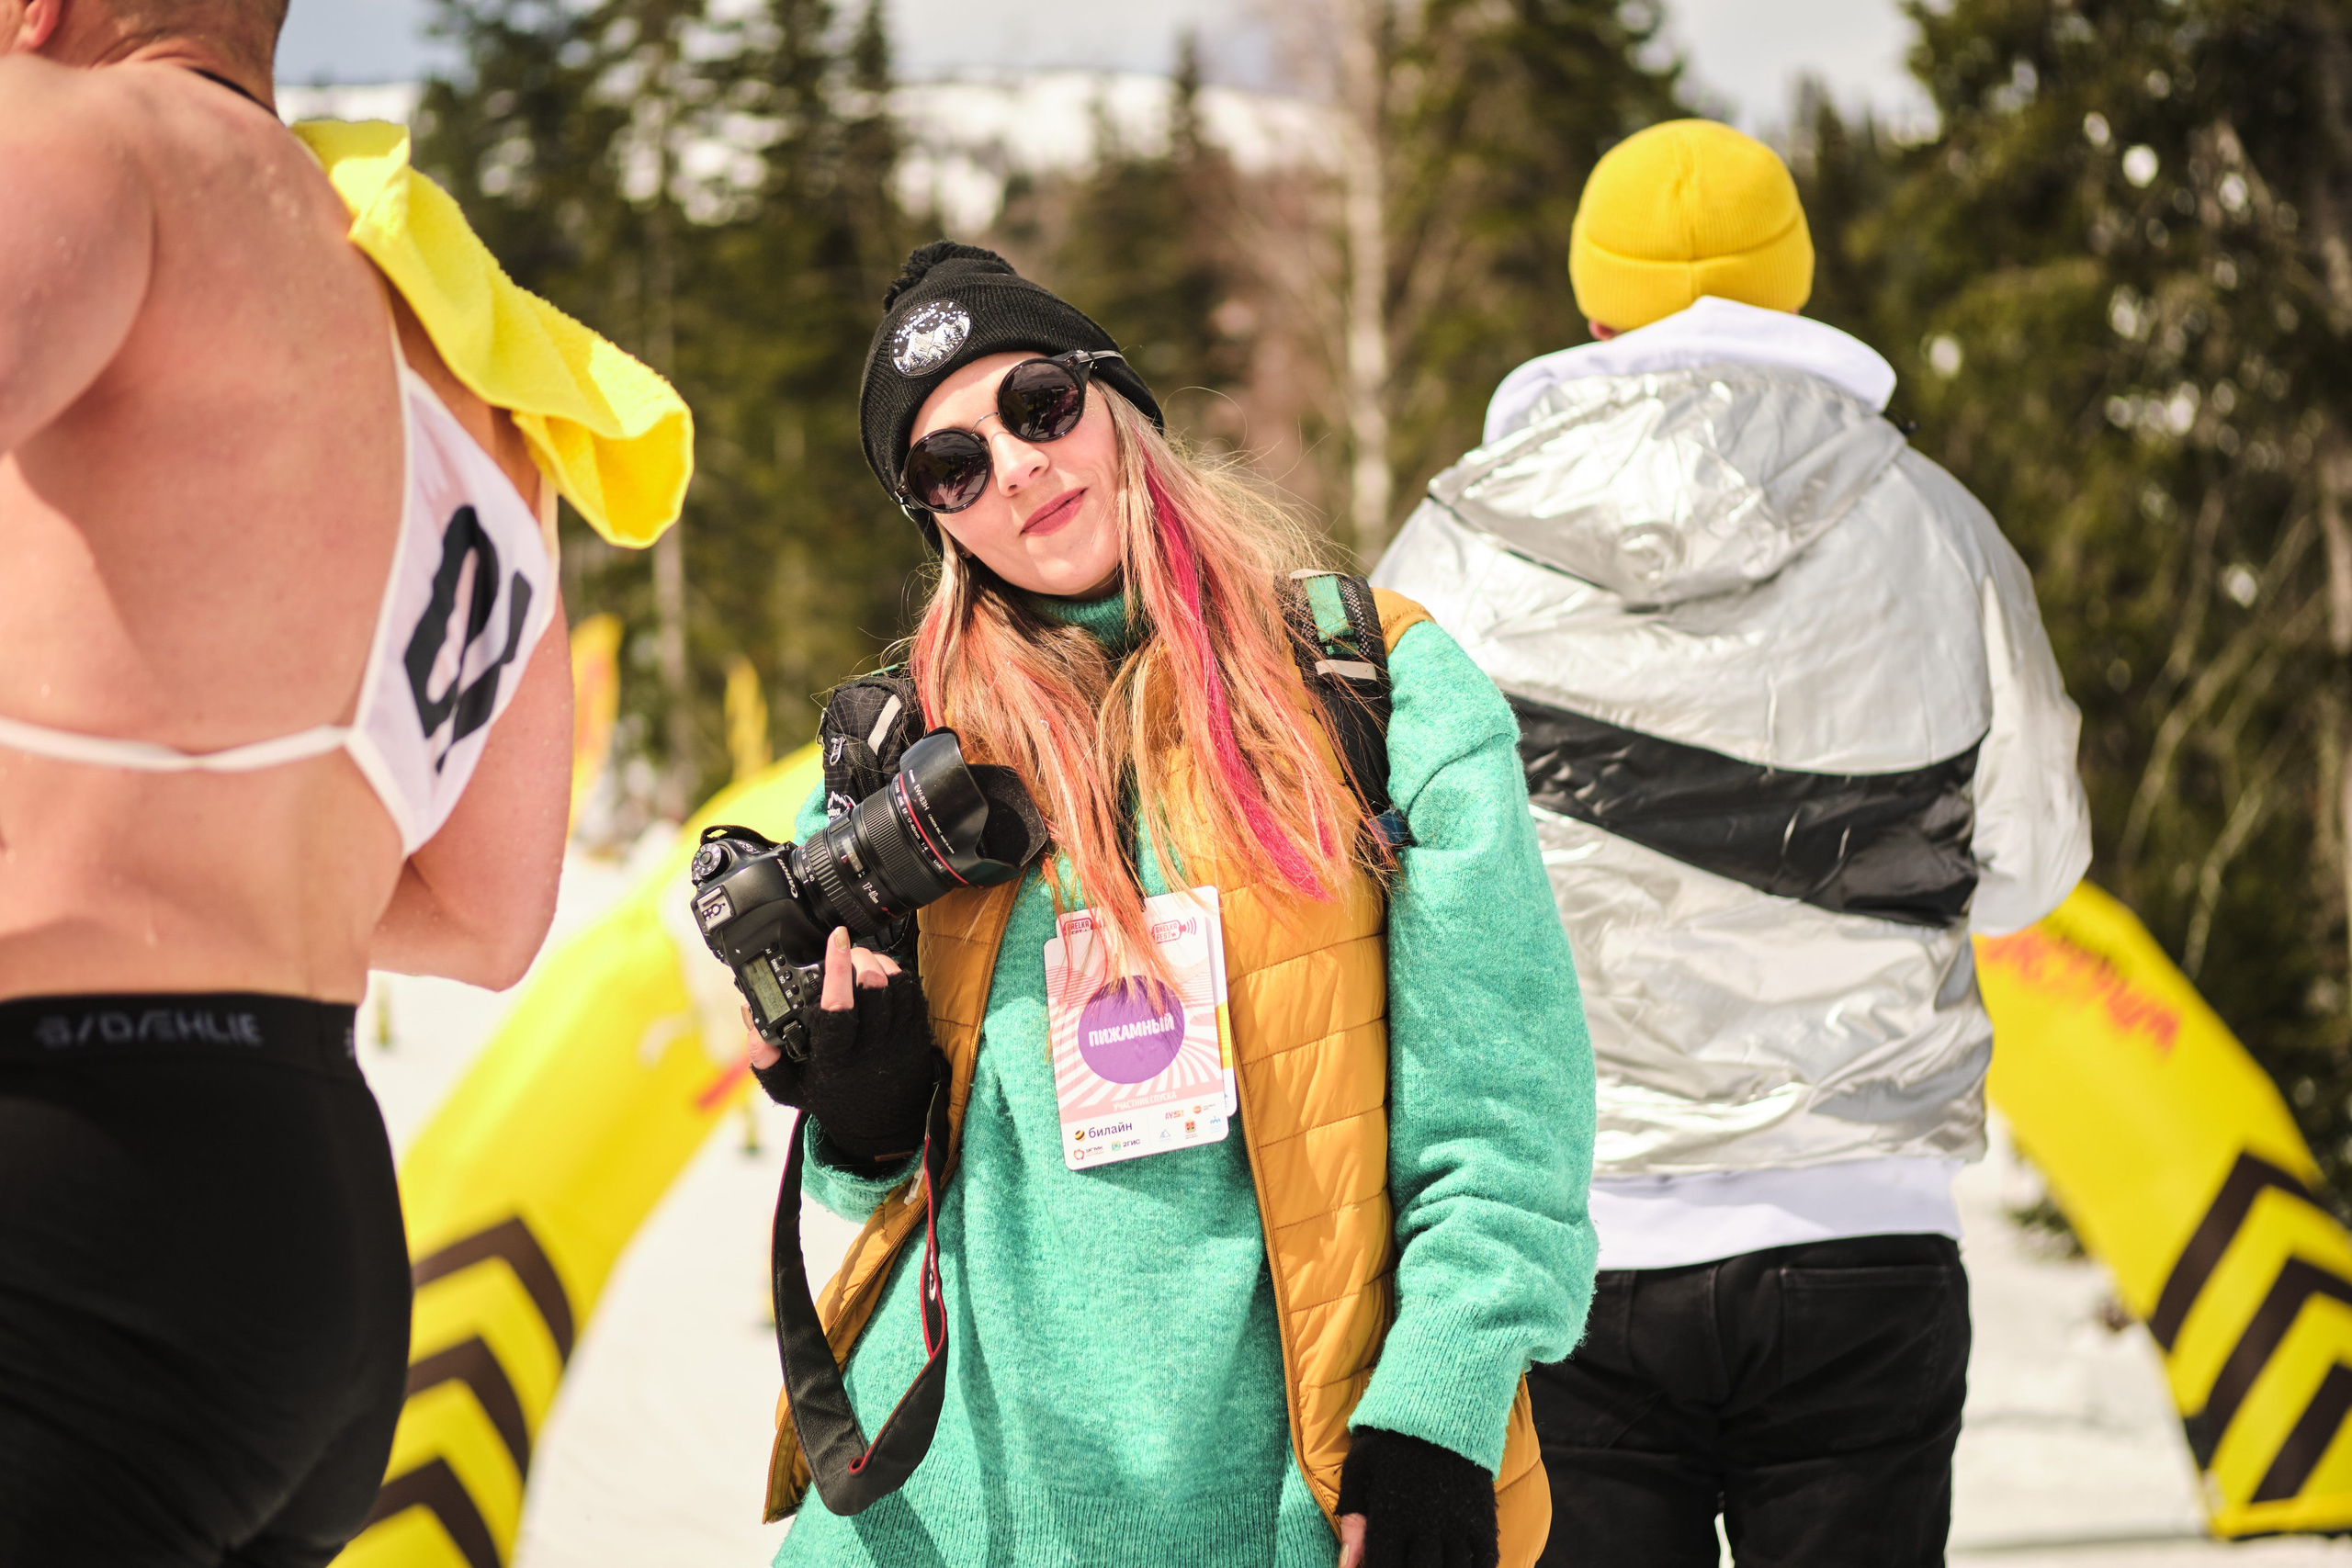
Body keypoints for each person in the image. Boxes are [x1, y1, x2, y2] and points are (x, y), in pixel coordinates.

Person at [744, 242, 1597, 1568]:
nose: (1016, 464)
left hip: (1278, 1508)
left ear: (1112, 398)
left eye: (1035, 404)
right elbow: (873, 1188)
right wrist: (855, 1103)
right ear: (936, 519)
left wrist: (1437, 1418)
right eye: (951, 463)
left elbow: (1503, 1124)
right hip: (947, 1515)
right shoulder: (902, 762)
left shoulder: (1373, 686)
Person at [0, 1, 687, 1562]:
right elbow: (490, 911)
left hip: (61, 1185)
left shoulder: (80, 147)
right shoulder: (478, 377)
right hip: (305, 1234)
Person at [1372, 119, 2093, 1566]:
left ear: (1593, 304)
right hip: (1860, 1234)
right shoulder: (1940, 531)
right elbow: (2034, 865)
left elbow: (1384, 890)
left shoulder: (1453, 552)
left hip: (1567, 1240)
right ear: (1793, 284)